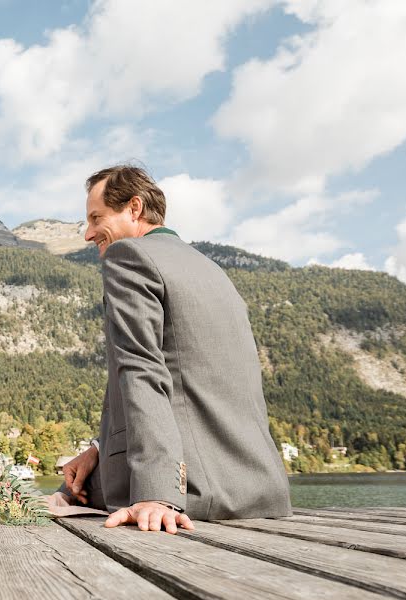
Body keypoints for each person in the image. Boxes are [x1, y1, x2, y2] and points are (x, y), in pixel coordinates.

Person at [55, 164, 292, 533]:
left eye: (96, 217)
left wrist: (156, 493)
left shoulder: (129, 255)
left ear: (134, 208)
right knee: (79, 478)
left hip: (191, 490)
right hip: (258, 489)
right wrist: (99, 450)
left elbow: (141, 370)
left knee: (62, 494)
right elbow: (192, 382)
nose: (88, 234)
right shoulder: (213, 271)